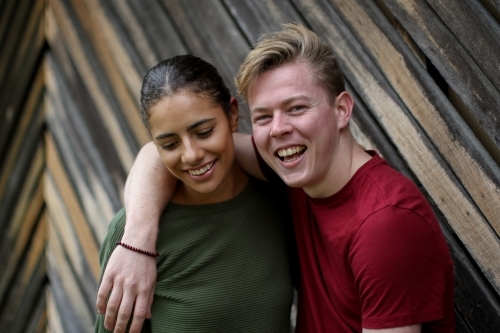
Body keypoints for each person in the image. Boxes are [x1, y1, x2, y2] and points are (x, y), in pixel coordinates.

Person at [97, 24, 455, 332]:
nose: (280, 129)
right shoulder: (295, 174)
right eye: (265, 116)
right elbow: (163, 156)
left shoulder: (385, 223)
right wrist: (137, 241)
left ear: (342, 109)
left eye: (297, 108)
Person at [94, 54, 295, 333]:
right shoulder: (131, 238)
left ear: (233, 115)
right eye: (170, 143)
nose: (191, 155)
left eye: (204, 131)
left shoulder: (279, 200)